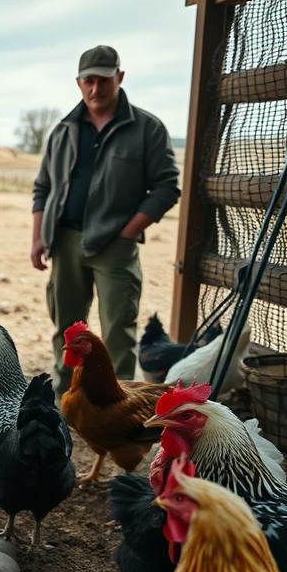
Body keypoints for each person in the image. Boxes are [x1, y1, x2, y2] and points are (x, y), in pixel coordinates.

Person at [31, 45, 180, 394]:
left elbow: (167, 187)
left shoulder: (147, 128)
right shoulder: (63, 130)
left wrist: (129, 231)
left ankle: (117, 409)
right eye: (89, 81)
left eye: (104, 80)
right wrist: (38, 238)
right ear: (79, 83)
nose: (96, 89)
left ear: (120, 78)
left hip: (116, 244)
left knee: (117, 332)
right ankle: (66, 404)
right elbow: (43, 187)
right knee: (66, 330)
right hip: (64, 241)